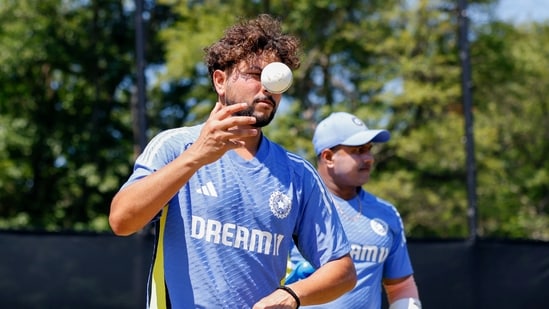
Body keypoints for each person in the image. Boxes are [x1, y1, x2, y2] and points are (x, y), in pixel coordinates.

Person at [109, 14, 356, 309]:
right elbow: (122, 220)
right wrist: (197, 156)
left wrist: (292, 295)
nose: (267, 87)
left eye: (275, 77)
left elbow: (343, 270)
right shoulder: (175, 146)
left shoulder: (297, 174)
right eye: (254, 74)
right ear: (220, 80)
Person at [286, 112, 421, 309]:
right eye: (358, 150)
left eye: (369, 150)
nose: (368, 159)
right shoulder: (294, 205)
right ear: (328, 157)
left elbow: (400, 286)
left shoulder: (387, 213)